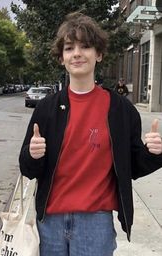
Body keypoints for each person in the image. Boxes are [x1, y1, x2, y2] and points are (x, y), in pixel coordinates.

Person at [19, 12, 162, 256]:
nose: (76, 53)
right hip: (50, 221)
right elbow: (27, 168)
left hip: (96, 223)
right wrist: (33, 155)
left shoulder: (121, 109)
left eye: (85, 46)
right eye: (69, 48)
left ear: (99, 54)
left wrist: (155, 152)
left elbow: (134, 166)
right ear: (62, 58)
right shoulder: (46, 109)